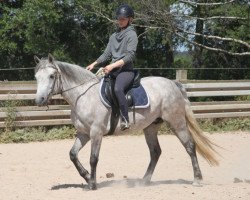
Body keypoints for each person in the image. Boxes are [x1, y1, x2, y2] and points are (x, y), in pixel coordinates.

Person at [86, 4, 138, 131]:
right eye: (119, 19)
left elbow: (130, 56)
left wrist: (112, 65)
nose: (120, 21)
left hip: (125, 70)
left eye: (123, 19)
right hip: (112, 69)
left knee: (118, 89)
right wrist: (94, 64)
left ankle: (125, 119)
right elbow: (106, 54)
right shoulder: (113, 36)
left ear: (130, 19)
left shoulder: (132, 35)